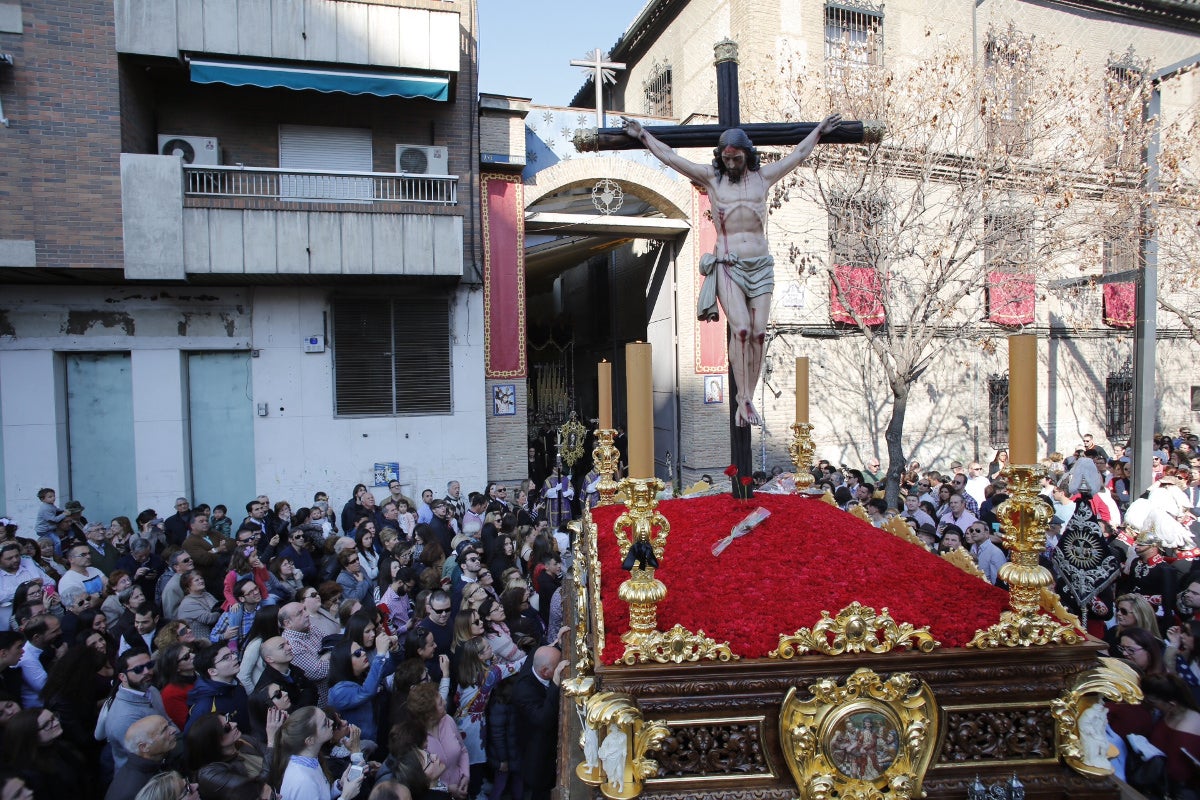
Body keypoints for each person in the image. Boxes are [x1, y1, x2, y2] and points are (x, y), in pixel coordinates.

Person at [625, 114, 841, 425]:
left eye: (736, 157)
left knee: (759, 333)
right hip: (728, 265)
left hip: (761, 265)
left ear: (746, 155)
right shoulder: (712, 180)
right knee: (741, 329)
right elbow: (671, 157)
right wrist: (643, 135)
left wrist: (819, 132)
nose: (730, 163)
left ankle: (748, 396)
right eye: (726, 158)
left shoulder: (763, 178)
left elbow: (798, 154)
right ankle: (744, 398)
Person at [453, 637, 524, 798]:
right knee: (473, 764)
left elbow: (456, 698)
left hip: (460, 721)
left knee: (467, 764)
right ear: (480, 656)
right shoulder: (491, 673)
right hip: (474, 728)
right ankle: (475, 792)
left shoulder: (466, 669)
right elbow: (518, 665)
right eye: (486, 648)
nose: (491, 648)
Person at [272, 706, 365, 800]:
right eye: (325, 723)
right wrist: (346, 796)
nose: (332, 722)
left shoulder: (310, 760)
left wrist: (340, 786)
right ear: (310, 740)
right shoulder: (303, 781)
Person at [512, 646, 567, 800]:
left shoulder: (536, 660)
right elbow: (543, 719)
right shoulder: (523, 691)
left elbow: (535, 650)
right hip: (536, 754)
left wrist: (556, 640)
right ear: (545, 672)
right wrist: (555, 683)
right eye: (557, 667)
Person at [186, 711, 278, 800]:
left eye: (229, 719)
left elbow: (277, 756)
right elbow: (255, 788)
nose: (234, 724)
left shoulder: (243, 740)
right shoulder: (210, 775)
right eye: (227, 728)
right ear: (212, 742)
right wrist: (271, 741)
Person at [0, 707, 88, 799]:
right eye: (46, 724)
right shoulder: (31, 775)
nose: (56, 723)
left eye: (53, 717)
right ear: (30, 736)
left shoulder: (58, 745)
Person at [328, 630, 394, 742]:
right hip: (358, 748)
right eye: (357, 653)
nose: (363, 653)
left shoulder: (364, 674)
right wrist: (380, 654)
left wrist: (395, 649)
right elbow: (366, 692)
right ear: (345, 661)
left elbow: (392, 666)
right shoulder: (338, 691)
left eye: (362, 650)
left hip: (376, 737)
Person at [409, 681, 469, 799]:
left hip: (462, 788)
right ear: (430, 715)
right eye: (441, 703)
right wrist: (448, 789)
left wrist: (466, 775)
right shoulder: (416, 739)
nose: (446, 702)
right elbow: (419, 781)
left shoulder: (448, 720)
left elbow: (463, 750)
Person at [105, 715, 178, 800]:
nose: (173, 730)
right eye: (164, 730)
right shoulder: (135, 790)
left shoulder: (157, 762)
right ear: (144, 747)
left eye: (168, 725)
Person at [185, 646, 248, 733]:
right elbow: (193, 738)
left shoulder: (236, 683)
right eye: (226, 658)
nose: (235, 656)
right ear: (212, 671)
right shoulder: (205, 706)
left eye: (232, 653)